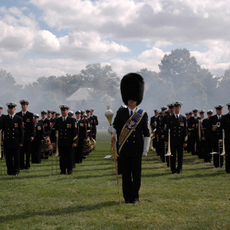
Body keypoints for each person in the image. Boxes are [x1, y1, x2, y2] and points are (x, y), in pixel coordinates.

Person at [108, 73, 150, 204]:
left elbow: (147, 133)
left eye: (133, 97)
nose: (131, 100)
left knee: (136, 175)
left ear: (138, 98)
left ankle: (135, 196)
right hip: (124, 149)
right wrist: (111, 130)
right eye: (129, 97)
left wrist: (145, 150)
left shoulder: (142, 114)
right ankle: (127, 197)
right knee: (126, 175)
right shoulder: (120, 112)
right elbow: (115, 128)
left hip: (137, 150)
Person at [52, 105, 78, 175]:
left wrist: (74, 141)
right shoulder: (58, 120)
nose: (63, 112)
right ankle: (62, 171)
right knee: (62, 157)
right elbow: (55, 132)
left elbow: (75, 132)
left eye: (65, 110)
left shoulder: (72, 120)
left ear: (67, 111)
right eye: (62, 110)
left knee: (69, 157)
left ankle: (69, 171)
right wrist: (54, 141)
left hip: (69, 142)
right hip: (61, 142)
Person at [1, 102, 24, 176]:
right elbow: (2, 130)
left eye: (12, 108)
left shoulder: (19, 119)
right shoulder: (5, 119)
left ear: (15, 109)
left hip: (16, 141)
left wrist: (21, 141)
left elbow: (21, 131)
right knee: (8, 158)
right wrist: (1, 140)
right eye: (9, 108)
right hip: (7, 141)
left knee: (16, 157)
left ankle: (16, 171)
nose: (11, 110)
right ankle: (9, 171)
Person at [166, 101, 187, 174]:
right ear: (174, 108)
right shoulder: (170, 118)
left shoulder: (183, 118)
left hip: (180, 140)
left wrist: (185, 141)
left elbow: (185, 131)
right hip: (172, 140)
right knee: (173, 156)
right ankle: (173, 169)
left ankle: (179, 169)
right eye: (175, 108)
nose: (177, 109)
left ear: (180, 108)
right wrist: (167, 140)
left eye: (178, 107)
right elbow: (167, 131)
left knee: (180, 156)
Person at [16, 99, 34, 170]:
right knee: (21, 152)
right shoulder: (18, 115)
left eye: (25, 105)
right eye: (22, 105)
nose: (23, 106)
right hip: (20, 137)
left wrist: (32, 135)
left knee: (28, 152)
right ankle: (21, 165)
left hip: (27, 136)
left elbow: (32, 126)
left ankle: (27, 165)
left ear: (27, 106)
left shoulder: (30, 115)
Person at [220, 103, 230, 173]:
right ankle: (228, 169)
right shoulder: (225, 117)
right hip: (228, 139)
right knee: (228, 155)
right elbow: (221, 129)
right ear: (228, 109)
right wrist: (221, 139)